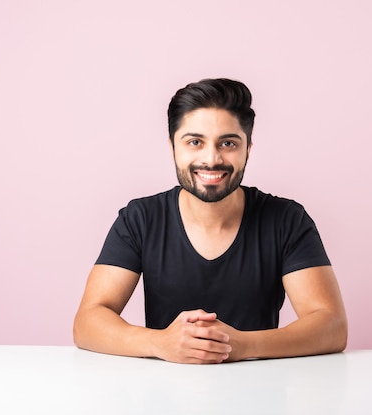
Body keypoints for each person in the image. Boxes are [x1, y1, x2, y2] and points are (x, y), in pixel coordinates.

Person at [73, 78, 347, 364]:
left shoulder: (286, 220)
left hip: (261, 397)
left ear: (248, 149)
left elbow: (331, 326)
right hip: (163, 399)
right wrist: (159, 342)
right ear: (172, 147)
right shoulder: (140, 219)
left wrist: (241, 344)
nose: (212, 158)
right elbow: (87, 323)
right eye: (195, 142)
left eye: (228, 143)